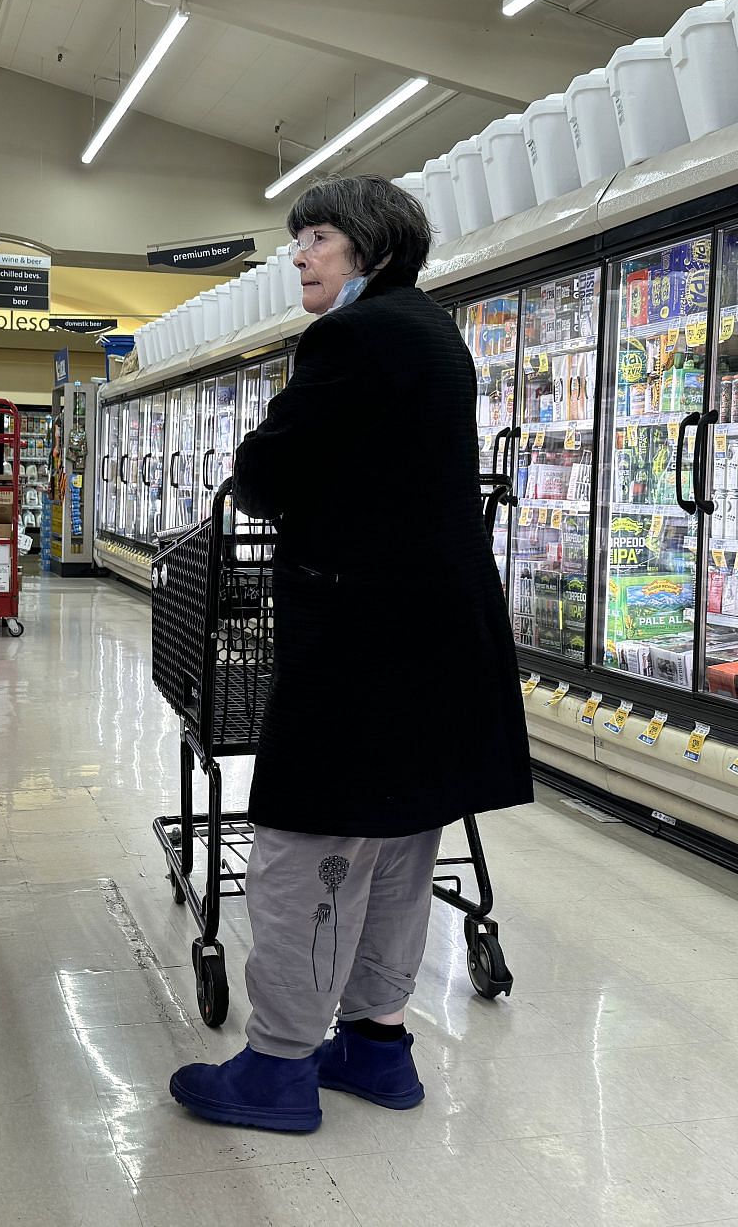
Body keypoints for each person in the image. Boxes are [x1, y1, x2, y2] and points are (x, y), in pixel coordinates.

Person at [167, 175, 532, 1133]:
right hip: (437, 644)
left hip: (362, 647)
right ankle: (377, 1045)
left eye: (318, 236)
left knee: (306, 845)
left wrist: (255, 460)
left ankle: (279, 1064)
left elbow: (269, 472)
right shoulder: (434, 332)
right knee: (403, 839)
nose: (300, 255)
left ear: (369, 246)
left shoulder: (352, 337)